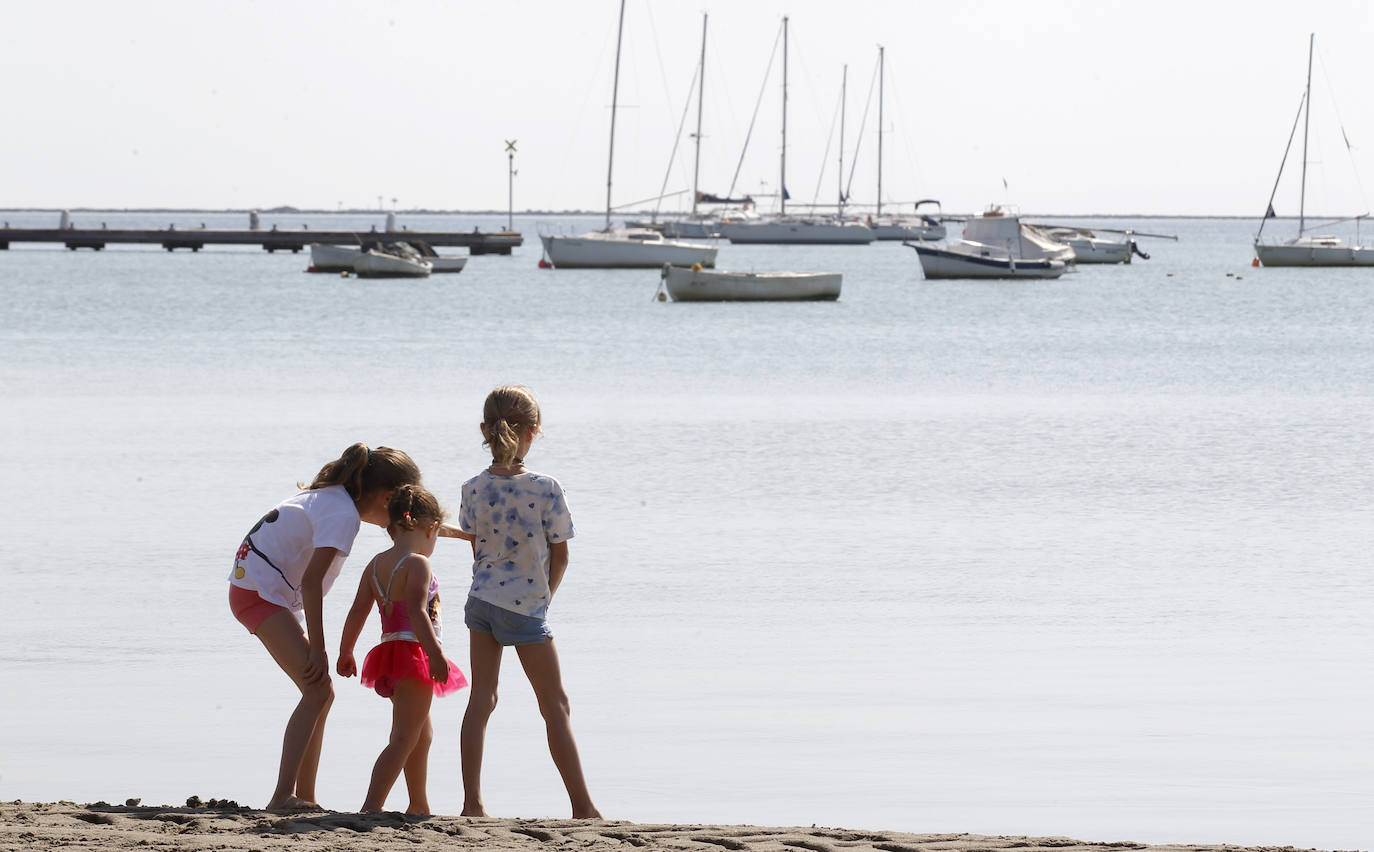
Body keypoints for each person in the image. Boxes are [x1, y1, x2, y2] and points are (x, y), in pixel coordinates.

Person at [229, 443, 422, 811]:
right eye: (403, 508)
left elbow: (418, 526)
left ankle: (305, 795)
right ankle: (282, 796)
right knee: (317, 690)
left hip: (255, 588)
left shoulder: (335, 500)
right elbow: (312, 582)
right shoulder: (342, 515)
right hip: (258, 594)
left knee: (322, 692)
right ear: (386, 498)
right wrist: (320, 648)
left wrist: (458, 534)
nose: (403, 520)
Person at [457, 386, 601, 819]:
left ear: (484, 429)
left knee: (481, 699)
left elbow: (476, 546)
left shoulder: (472, 487)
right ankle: (583, 806)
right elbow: (561, 553)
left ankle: (472, 804)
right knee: (554, 704)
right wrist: (544, 600)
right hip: (525, 607)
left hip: (481, 601)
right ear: (534, 432)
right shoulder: (545, 488)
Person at [337, 485, 468, 814]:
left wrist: (346, 650)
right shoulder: (418, 564)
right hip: (415, 653)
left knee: (420, 733)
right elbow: (417, 611)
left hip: (389, 652)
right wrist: (436, 654)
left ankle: (418, 803)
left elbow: (357, 611)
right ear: (430, 529)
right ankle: (371, 807)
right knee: (403, 738)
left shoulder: (376, 564)